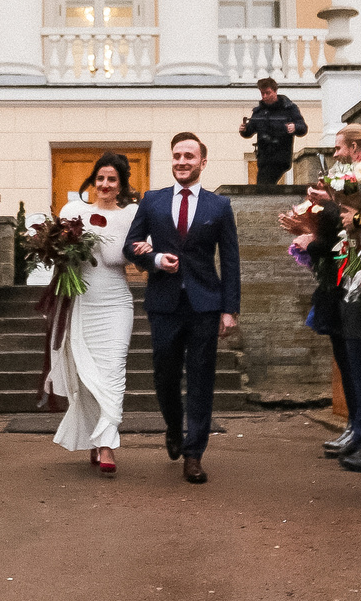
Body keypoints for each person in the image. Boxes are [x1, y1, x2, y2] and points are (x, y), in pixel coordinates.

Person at [128, 133, 238, 484]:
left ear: (202, 162)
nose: (182, 161)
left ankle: (194, 453)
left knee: (202, 378)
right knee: (164, 375)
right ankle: (174, 426)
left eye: (189, 156)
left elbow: (231, 261)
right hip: (164, 303)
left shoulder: (218, 206)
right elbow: (131, 246)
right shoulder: (152, 201)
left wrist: (229, 308)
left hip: (205, 303)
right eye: (177, 155)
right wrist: (156, 258)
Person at [284, 124, 361, 469]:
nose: (335, 155)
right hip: (336, 278)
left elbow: (348, 229)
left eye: (339, 148)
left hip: (352, 276)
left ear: (355, 148)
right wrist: (306, 226)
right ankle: (355, 424)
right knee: (344, 359)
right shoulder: (341, 181)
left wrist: (313, 234)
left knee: (356, 362)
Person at [51, 153, 139, 472]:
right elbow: (59, 256)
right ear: (92, 180)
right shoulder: (73, 210)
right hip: (82, 301)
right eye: (100, 178)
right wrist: (65, 247)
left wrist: (98, 239)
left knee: (113, 370)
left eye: (112, 179)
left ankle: (107, 446)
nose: (104, 184)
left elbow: (123, 258)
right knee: (88, 375)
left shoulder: (131, 214)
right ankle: (95, 438)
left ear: (121, 184)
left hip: (116, 302)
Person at [237, 76, 307, 185]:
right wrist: (244, 129)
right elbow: (249, 131)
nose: (264, 96)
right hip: (264, 158)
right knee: (264, 185)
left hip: (281, 156)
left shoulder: (289, 108)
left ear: (275, 91)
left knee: (263, 185)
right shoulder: (259, 111)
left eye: (267, 93)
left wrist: (294, 127)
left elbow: (302, 127)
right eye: (262, 93)